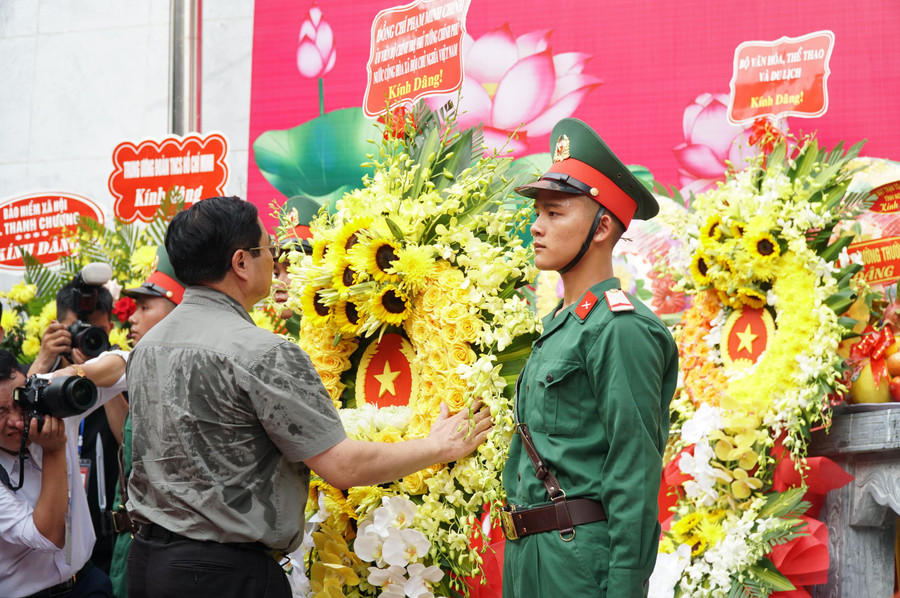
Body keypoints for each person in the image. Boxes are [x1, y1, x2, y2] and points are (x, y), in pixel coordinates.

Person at [125, 196, 492, 598]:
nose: (275, 261)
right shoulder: (261, 352)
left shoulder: (148, 347)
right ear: (241, 263)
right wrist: (437, 446)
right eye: (269, 250)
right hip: (224, 575)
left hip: (149, 565)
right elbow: (341, 466)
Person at [500, 118, 679, 598]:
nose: (536, 226)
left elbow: (634, 473)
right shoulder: (562, 326)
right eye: (537, 212)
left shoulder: (621, 329)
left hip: (577, 565)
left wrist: (624, 590)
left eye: (555, 213)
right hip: (530, 558)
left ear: (602, 227)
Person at [0, 347, 126, 598]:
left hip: (89, 582)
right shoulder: (51, 437)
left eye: (18, 403)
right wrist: (55, 451)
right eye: (0, 412)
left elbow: (125, 363)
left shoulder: (46, 400)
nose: (16, 421)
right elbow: (48, 536)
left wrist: (75, 372)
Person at [28, 279, 123, 575]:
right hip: (54, 544)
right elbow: (18, 427)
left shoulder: (122, 371)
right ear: (58, 328)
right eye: (77, 329)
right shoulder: (46, 378)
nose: (87, 338)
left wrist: (98, 376)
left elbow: (127, 438)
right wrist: (44, 360)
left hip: (110, 534)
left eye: (95, 331)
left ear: (109, 328)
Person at [105, 246, 185, 598]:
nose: (131, 319)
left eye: (144, 307)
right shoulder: (148, 369)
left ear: (178, 310)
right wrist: (107, 388)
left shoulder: (190, 376)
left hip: (166, 553)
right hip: (134, 544)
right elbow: (131, 443)